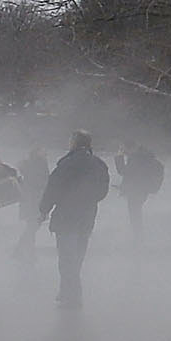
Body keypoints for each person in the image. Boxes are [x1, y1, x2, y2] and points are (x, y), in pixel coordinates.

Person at [41, 130, 111, 308]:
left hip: (66, 217)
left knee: (66, 259)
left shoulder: (66, 164)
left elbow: (53, 188)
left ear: (74, 142)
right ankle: (67, 291)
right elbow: (102, 191)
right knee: (77, 257)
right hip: (86, 217)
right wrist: (88, 199)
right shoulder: (99, 165)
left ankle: (71, 294)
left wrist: (43, 210)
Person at [117, 143, 164, 238]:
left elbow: (123, 171)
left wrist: (119, 157)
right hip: (144, 190)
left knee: (135, 213)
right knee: (136, 211)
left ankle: (138, 236)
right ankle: (138, 234)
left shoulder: (135, 159)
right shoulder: (146, 157)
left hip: (135, 190)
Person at [16, 146, 51, 252]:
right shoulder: (37, 164)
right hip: (34, 199)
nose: (45, 153)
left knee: (32, 225)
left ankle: (25, 250)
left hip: (32, 199)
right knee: (32, 225)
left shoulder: (36, 163)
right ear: (36, 152)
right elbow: (41, 181)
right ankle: (23, 250)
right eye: (42, 151)